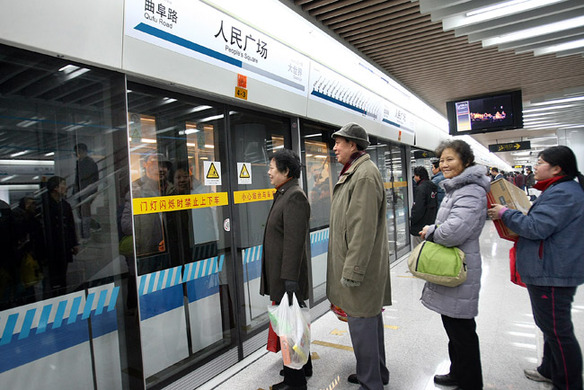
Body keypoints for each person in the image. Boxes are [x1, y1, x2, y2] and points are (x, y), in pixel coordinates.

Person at [488, 146, 584, 390]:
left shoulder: (563, 193)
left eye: (540, 162)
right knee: (550, 327)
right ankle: (549, 369)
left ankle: (568, 384)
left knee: (558, 331)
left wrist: (505, 213)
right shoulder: (560, 190)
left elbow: (536, 227)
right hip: (552, 268)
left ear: (556, 168)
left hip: (553, 272)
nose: (536, 166)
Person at [420, 139, 490, 390]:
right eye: (441, 160)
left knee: (462, 331)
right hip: (454, 265)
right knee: (454, 326)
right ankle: (457, 372)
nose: (444, 164)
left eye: (450, 159)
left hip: (461, 268)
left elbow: (454, 232)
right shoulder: (458, 188)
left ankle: (471, 383)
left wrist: (431, 230)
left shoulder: (470, 190)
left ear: (466, 161)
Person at [326, 123, 391, 389]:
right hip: (362, 266)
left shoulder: (363, 175)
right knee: (370, 321)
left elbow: (362, 230)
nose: (334, 148)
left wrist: (352, 271)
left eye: (338, 143)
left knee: (362, 325)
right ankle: (377, 373)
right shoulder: (356, 172)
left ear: (353, 145)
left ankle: (370, 382)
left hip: (359, 269)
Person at [260, 149, 311, 390]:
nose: (268, 171)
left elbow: (294, 241)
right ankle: (304, 366)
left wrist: (290, 279)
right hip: (282, 273)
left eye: (272, 167)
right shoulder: (284, 193)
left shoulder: (294, 197)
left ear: (286, 171)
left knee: (290, 326)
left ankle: (295, 381)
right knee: (293, 324)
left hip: (287, 276)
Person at [42, 176, 79, 296]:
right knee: (50, 279)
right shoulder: (45, 205)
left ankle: (62, 298)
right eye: (63, 184)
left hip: (63, 247)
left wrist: (74, 243)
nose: (66, 187)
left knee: (62, 276)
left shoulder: (65, 205)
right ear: (55, 188)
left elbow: (70, 226)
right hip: (49, 249)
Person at [74, 143, 100, 239]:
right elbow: (77, 178)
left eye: (79, 151)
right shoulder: (79, 163)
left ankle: (86, 235)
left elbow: (93, 179)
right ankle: (94, 227)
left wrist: (92, 191)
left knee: (85, 212)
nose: (77, 154)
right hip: (79, 191)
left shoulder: (90, 163)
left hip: (87, 190)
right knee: (80, 213)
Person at [410, 166, 438, 246]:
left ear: (419, 176)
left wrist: (413, 220)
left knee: (419, 249)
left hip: (420, 226)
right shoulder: (432, 186)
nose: (414, 178)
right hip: (430, 223)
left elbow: (418, 208)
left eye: (415, 175)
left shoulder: (420, 188)